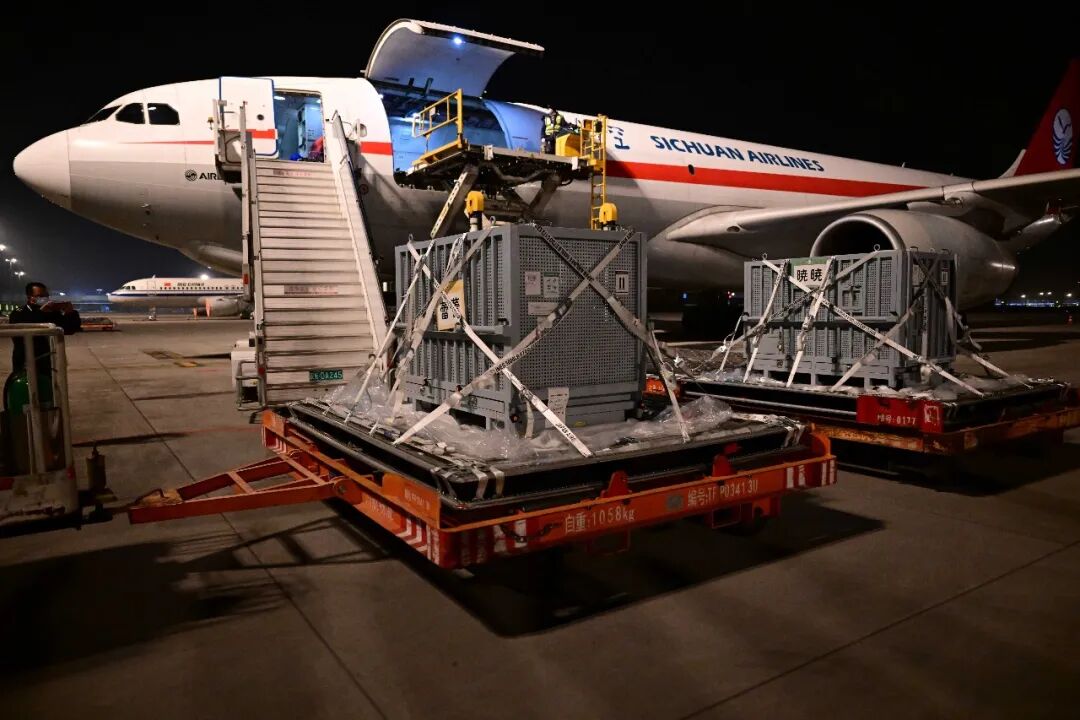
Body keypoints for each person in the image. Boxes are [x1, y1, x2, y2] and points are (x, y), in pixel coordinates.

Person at [6, 282, 81, 410]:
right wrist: (41, 312)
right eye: (40, 296)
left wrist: (70, 312)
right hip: (24, 362)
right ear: (30, 297)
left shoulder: (50, 313)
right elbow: (24, 327)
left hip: (46, 362)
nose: (44, 298)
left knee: (46, 395)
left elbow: (70, 328)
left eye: (46, 295)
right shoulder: (19, 313)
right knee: (25, 396)